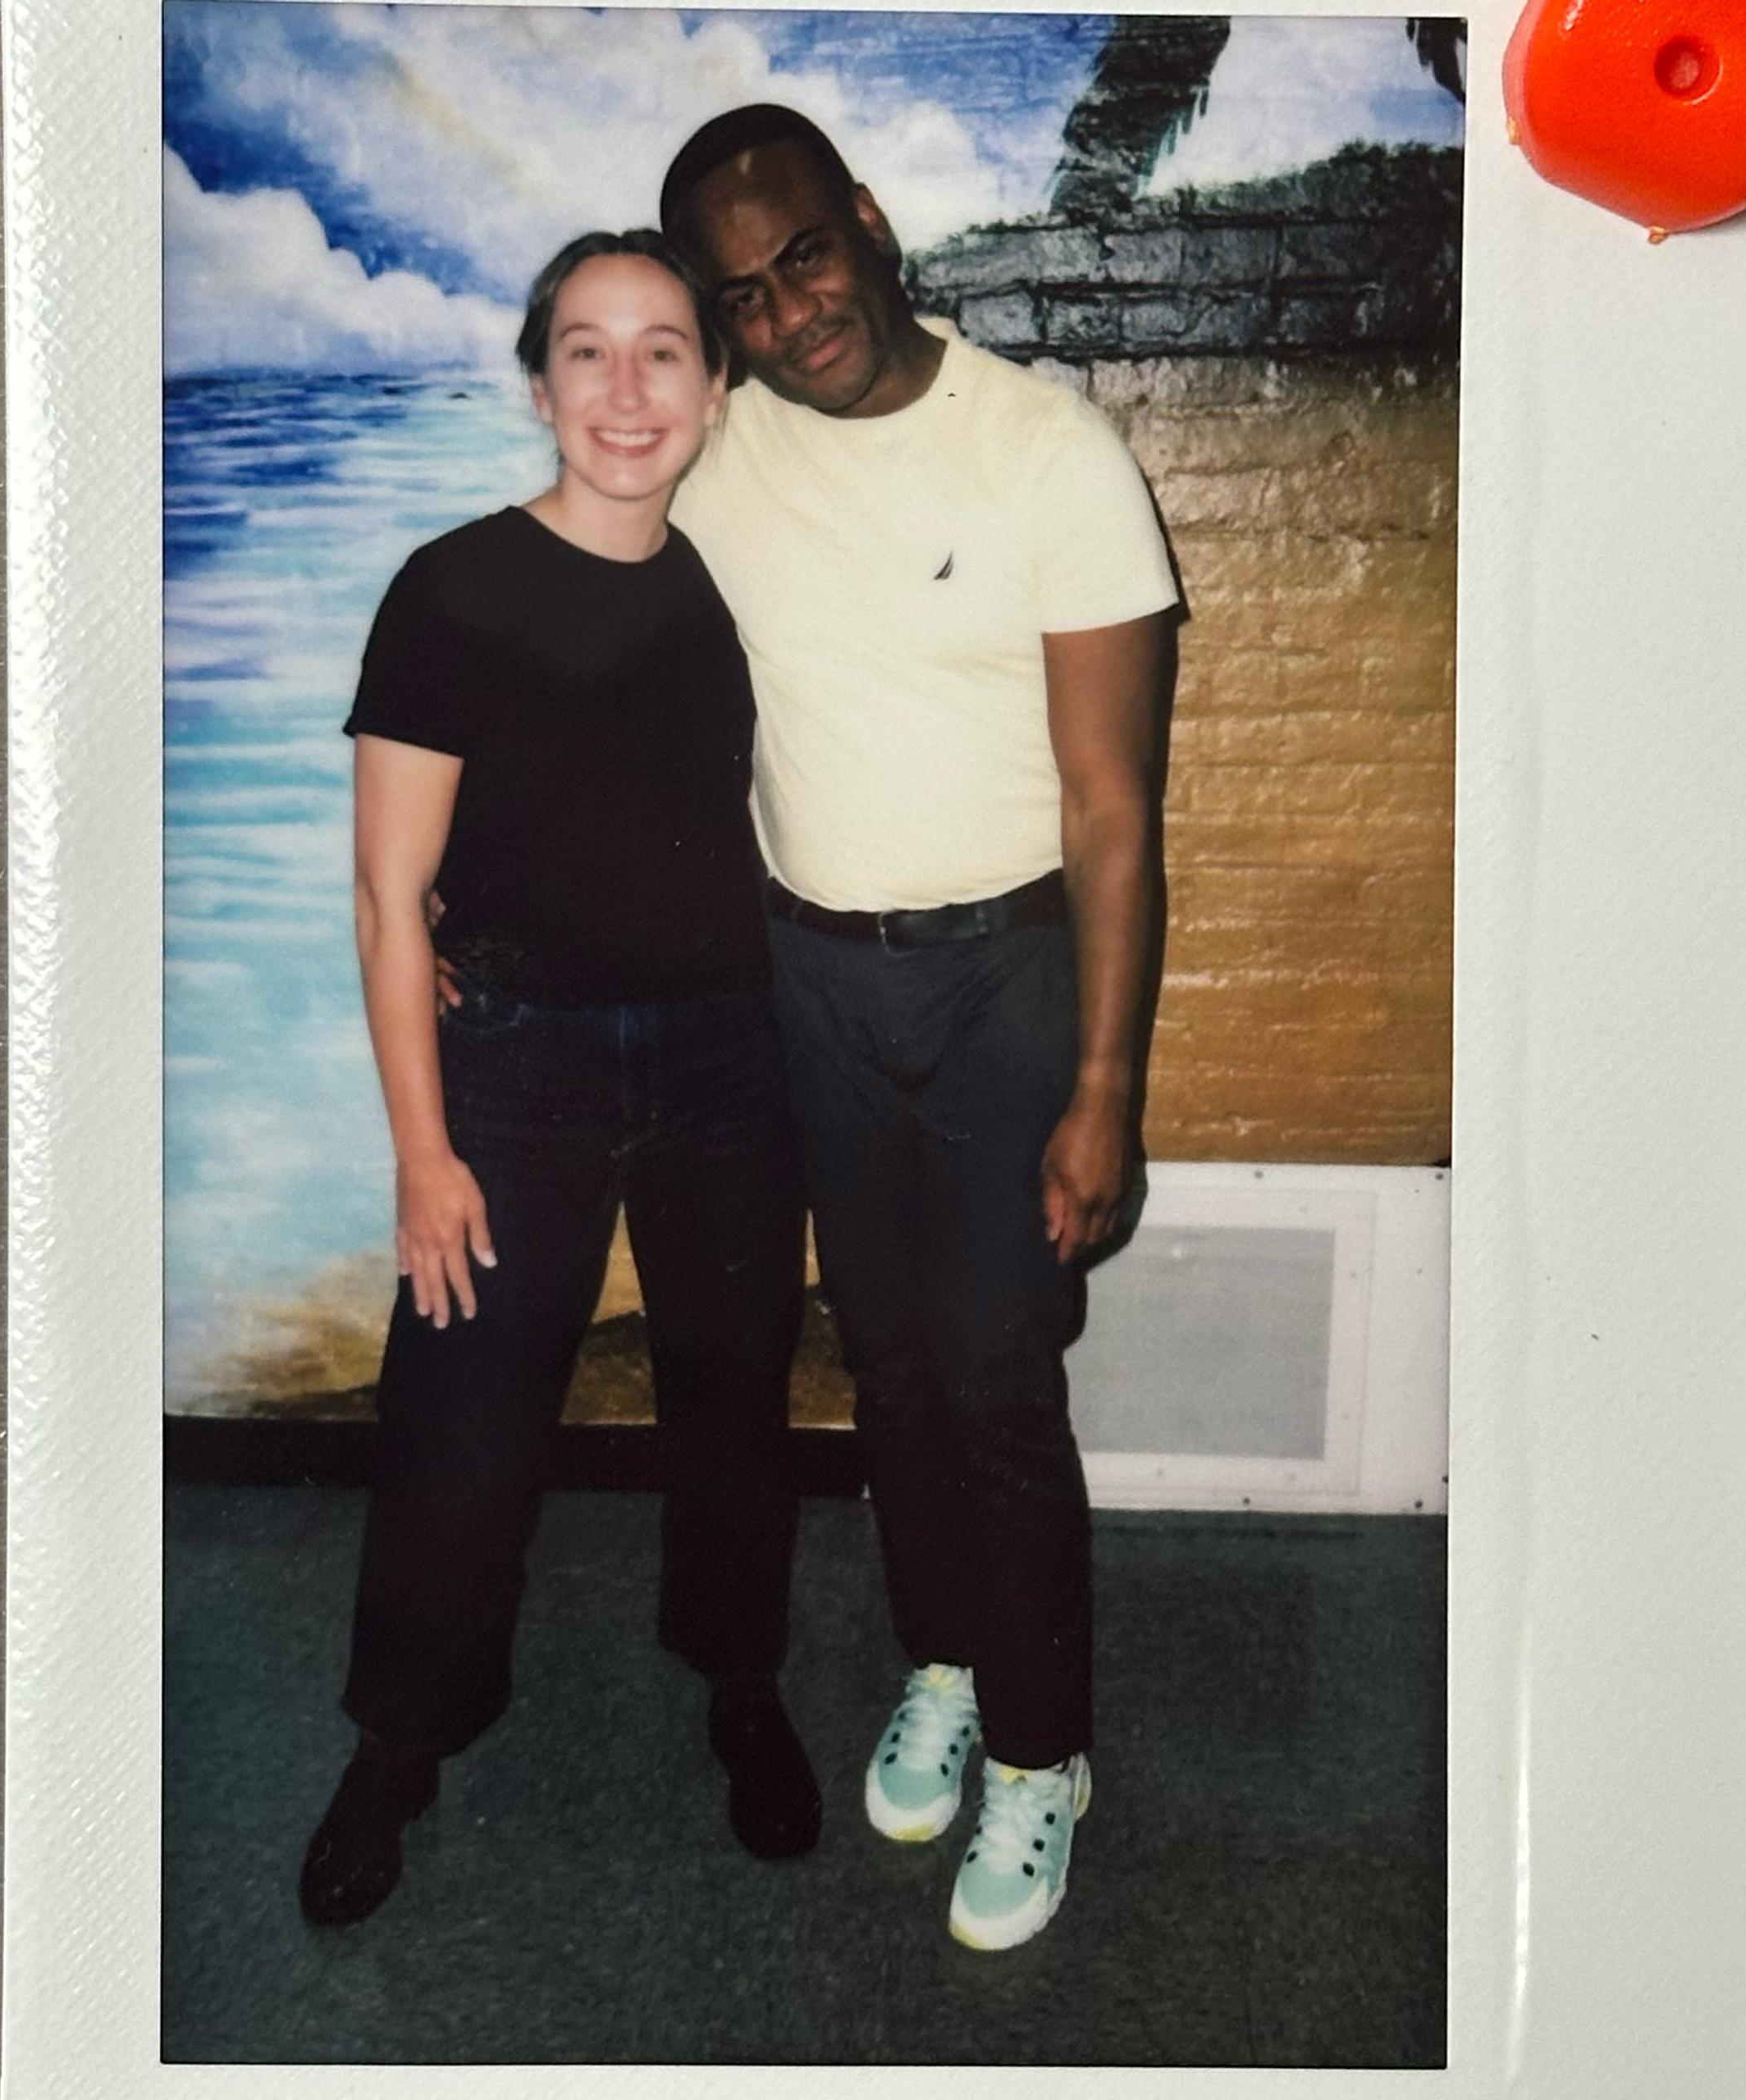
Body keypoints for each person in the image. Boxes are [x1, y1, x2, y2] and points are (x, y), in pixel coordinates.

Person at [658, 106, 1182, 1952]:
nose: (787, 311)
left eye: (804, 255)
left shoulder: (1047, 453)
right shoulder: (713, 457)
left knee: (994, 1378)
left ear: (869, 225)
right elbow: (575, 625)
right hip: (810, 979)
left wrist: (1104, 1088)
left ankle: (1041, 1753)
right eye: (741, 293)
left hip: (1004, 980)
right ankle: (948, 1659)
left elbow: (1114, 809)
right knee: (885, 1366)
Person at [295, 229, 820, 1930]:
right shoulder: (450, 590)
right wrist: (422, 1149)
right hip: (516, 1067)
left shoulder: (741, 581)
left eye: (664, 348)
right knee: (459, 1419)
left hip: (729, 1054)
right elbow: (388, 895)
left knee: (733, 1399)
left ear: (716, 389)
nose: (626, 387)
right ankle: (399, 1742)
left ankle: (742, 1685)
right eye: (586, 349)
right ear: (538, 386)